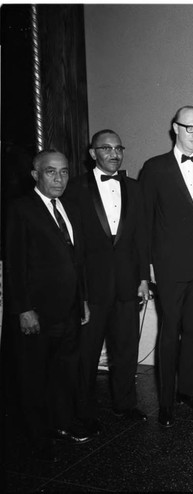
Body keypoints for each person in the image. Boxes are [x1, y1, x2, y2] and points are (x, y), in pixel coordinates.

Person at [5, 150, 91, 462]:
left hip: (68, 310)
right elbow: (15, 264)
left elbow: (75, 260)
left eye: (64, 172)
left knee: (63, 373)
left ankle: (61, 425)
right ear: (36, 175)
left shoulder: (68, 207)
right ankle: (38, 440)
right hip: (37, 313)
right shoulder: (21, 209)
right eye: (51, 172)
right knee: (33, 377)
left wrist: (82, 300)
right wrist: (23, 309)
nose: (59, 179)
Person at [140, 106, 193, 428]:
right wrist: (145, 267)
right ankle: (165, 402)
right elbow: (145, 221)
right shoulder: (155, 168)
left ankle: (189, 390)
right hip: (169, 263)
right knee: (169, 329)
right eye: (190, 128)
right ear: (175, 128)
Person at [65, 130, 150, 431]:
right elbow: (71, 245)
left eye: (118, 148)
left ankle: (125, 404)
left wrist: (143, 278)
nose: (114, 154)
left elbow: (141, 237)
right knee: (86, 353)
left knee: (126, 349)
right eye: (106, 148)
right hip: (92, 287)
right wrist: (79, 292)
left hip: (127, 283)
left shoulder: (135, 188)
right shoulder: (74, 189)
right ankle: (83, 411)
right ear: (92, 153)